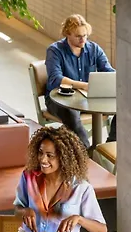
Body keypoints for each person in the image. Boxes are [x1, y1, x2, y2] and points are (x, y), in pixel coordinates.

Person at [14, 126, 107, 232]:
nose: (43, 159)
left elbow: (102, 229)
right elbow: (17, 209)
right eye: (40, 152)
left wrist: (79, 219)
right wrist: (25, 211)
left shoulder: (81, 187)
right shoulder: (28, 177)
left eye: (50, 155)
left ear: (63, 158)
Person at [45, 14, 116, 149]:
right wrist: (84, 85)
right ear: (67, 34)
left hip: (88, 98)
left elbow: (108, 71)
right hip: (60, 100)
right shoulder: (55, 51)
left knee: (123, 108)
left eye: (85, 35)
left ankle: (108, 147)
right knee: (71, 114)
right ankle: (86, 152)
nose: (83, 39)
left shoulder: (94, 49)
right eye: (78, 36)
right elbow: (55, 78)